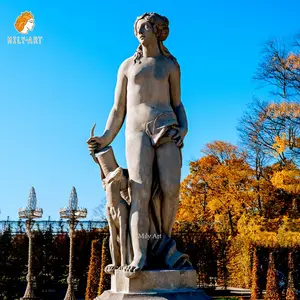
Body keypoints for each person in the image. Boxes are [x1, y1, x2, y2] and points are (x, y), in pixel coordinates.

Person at [87, 12, 188, 278]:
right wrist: (106, 137)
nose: (140, 33)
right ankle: (140, 253)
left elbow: (177, 104)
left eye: (144, 27)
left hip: (166, 126)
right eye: (137, 29)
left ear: (157, 30)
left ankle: (164, 243)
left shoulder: (169, 65)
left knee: (171, 188)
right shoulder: (126, 67)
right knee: (139, 192)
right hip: (136, 131)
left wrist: (184, 128)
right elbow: (118, 109)